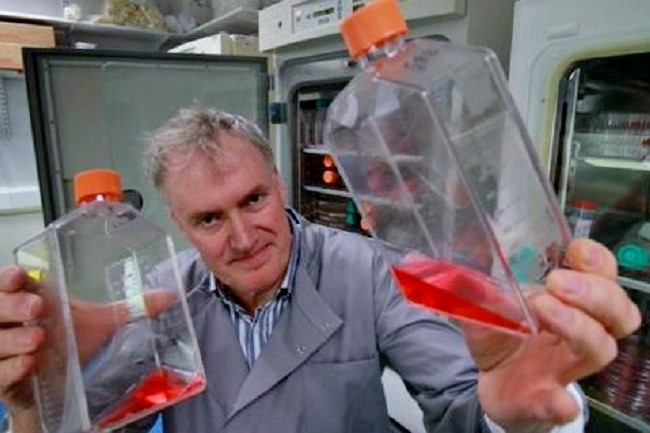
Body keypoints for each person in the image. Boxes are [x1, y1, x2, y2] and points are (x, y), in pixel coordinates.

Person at [0, 107, 641, 433]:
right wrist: (38, 403)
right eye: (209, 220)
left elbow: (462, 406)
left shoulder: (363, 270)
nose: (244, 237)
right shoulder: (168, 295)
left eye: (253, 200)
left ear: (279, 185)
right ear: (177, 224)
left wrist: (518, 411)